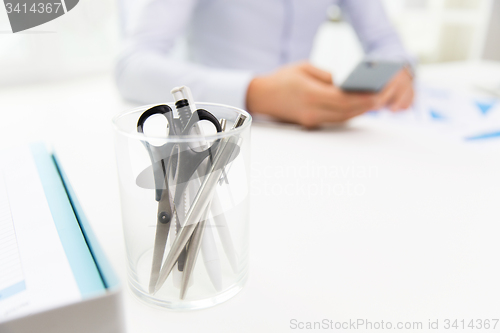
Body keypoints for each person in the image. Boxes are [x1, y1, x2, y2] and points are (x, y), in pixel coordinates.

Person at [116, 0, 414, 128]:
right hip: (216, 131)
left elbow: (387, 42)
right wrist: (256, 93)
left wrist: (398, 70)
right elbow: (131, 65)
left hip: (312, 137)